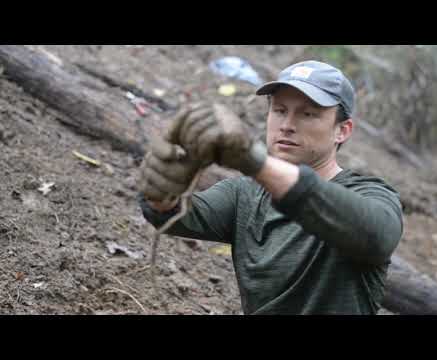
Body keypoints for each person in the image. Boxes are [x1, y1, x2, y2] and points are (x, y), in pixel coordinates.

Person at [138, 60, 403, 315]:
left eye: (308, 114)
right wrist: (162, 192)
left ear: (342, 131)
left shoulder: (369, 194)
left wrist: (255, 162)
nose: (287, 125)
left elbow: (376, 236)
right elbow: (179, 216)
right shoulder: (244, 194)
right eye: (279, 110)